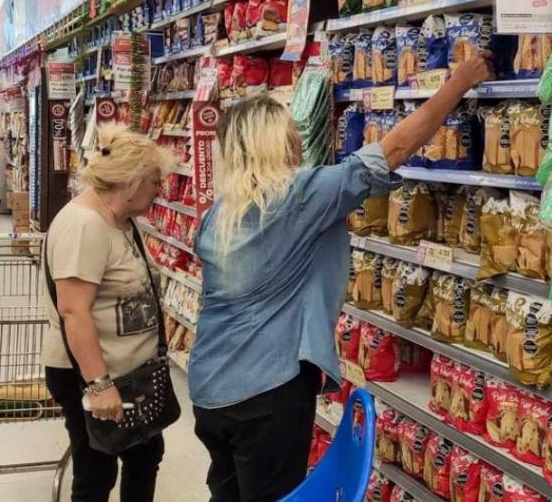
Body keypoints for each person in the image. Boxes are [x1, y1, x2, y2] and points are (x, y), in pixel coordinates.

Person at [190, 53, 495, 501]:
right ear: (273, 142)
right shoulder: (298, 197)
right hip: (267, 389)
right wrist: (457, 84)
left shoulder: (218, 215)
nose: (298, 135)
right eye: (289, 129)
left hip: (211, 388)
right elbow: (393, 150)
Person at [42, 123, 176, 502]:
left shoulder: (118, 220)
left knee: (146, 454)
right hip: (91, 374)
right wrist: (99, 386)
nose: (158, 190)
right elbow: (73, 311)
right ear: (131, 183)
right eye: (154, 181)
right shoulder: (84, 226)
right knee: (96, 471)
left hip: (131, 372)